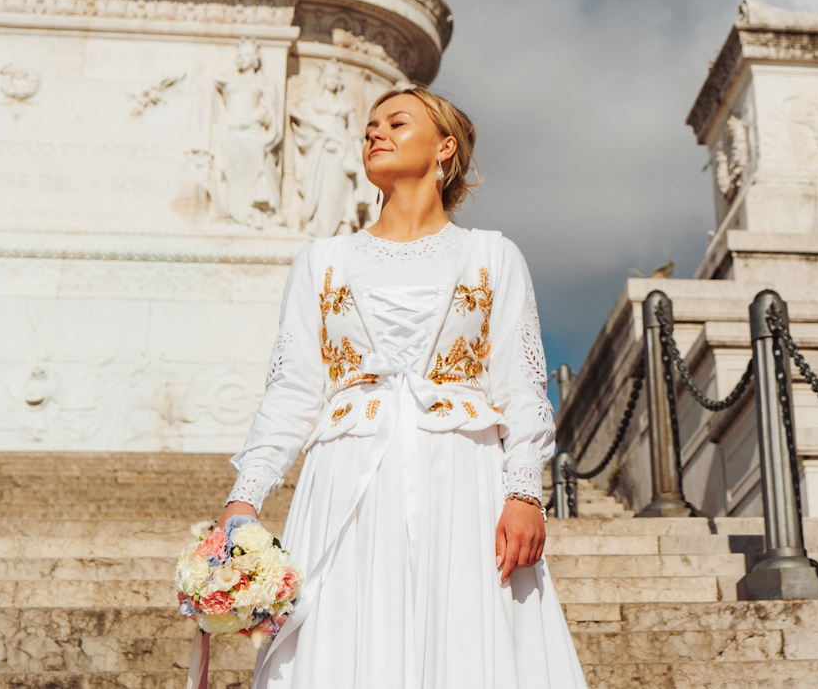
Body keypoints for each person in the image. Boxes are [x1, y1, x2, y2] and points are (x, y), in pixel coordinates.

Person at [220, 86, 586, 689]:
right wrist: (245, 499)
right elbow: (292, 391)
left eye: (396, 122)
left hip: (463, 475)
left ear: (445, 148)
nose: (375, 133)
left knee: (469, 645)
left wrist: (524, 493)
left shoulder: (492, 257)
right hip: (345, 478)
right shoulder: (322, 261)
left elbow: (522, 389)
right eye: (369, 127)